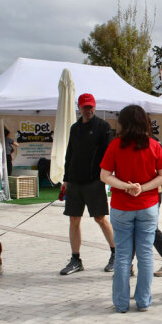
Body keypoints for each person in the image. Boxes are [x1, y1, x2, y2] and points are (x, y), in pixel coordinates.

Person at [99, 104, 162, 312]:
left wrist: (126, 186)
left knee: (122, 255)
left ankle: (121, 303)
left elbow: (104, 175)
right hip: (148, 206)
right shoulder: (154, 145)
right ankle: (143, 301)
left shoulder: (115, 145)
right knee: (146, 255)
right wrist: (143, 188)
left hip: (122, 206)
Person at [60, 93, 115, 275]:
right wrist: (66, 179)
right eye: (85, 107)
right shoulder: (75, 128)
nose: (88, 110)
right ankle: (76, 259)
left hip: (94, 181)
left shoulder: (103, 126)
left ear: (95, 106)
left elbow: (109, 154)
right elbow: (70, 154)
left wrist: (106, 177)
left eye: (91, 106)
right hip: (75, 182)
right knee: (73, 219)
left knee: (100, 218)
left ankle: (116, 254)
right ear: (80, 107)